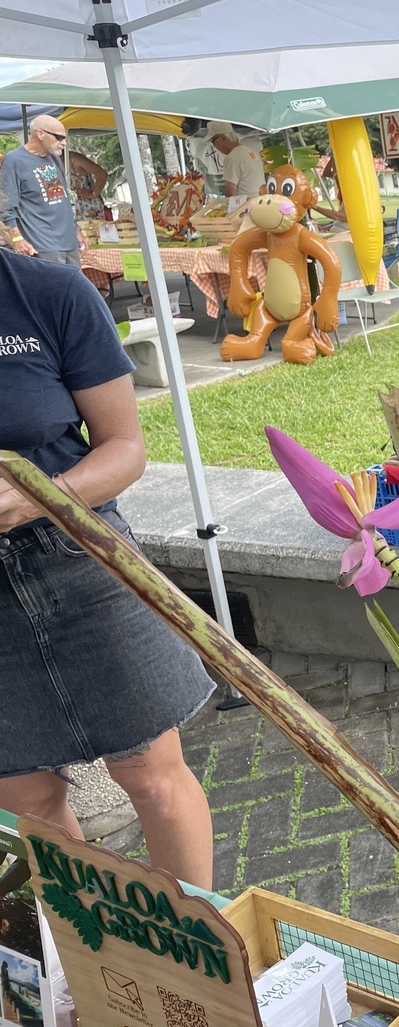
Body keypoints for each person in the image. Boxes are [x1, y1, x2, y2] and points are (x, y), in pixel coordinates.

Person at [0, 249, 216, 888]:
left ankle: (195, 940)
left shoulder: (50, 293)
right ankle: (87, 937)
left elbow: (124, 448)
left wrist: (39, 495)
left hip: (79, 554)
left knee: (151, 776)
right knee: (27, 800)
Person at [0, 115, 88, 266]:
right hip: (42, 246)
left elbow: (64, 198)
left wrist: (76, 229)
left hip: (68, 243)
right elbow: (7, 207)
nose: (64, 143)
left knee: (74, 282)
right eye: (59, 137)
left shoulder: (54, 158)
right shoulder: (14, 160)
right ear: (40, 134)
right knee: (52, 282)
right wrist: (17, 239)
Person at [203, 120, 263, 199]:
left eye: (214, 142)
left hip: (246, 204)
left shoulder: (232, 157)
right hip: (260, 201)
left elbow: (231, 194)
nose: (214, 146)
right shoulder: (249, 151)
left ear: (223, 138)